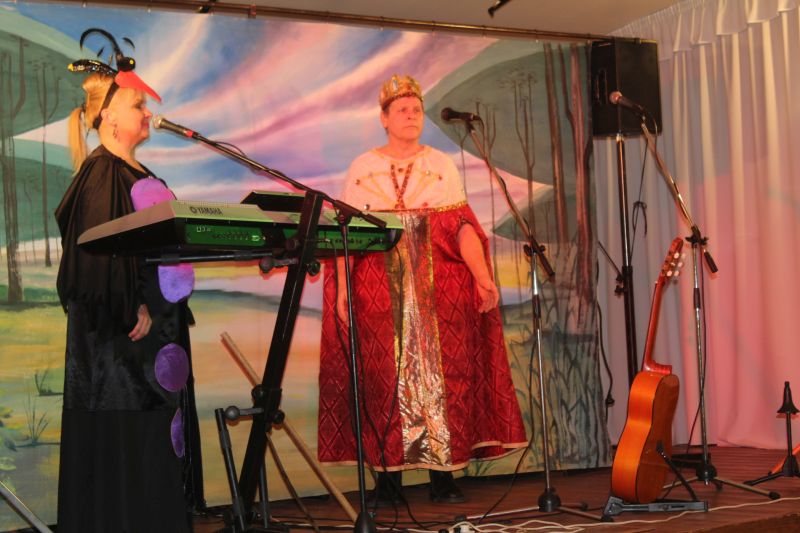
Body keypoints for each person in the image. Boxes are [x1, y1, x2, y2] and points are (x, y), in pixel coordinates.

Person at [317, 74, 527, 505]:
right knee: (383, 380)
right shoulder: (362, 168)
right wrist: (341, 290)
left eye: (416, 109)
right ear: (384, 118)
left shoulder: (441, 165)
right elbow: (345, 234)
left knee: (444, 381)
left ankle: (442, 475)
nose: (411, 116)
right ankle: (387, 480)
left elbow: (463, 227)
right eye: (402, 110)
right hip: (378, 291)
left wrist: (482, 276)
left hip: (440, 293)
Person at [55, 29, 202, 532]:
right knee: (130, 449)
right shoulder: (103, 173)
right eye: (137, 104)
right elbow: (96, 253)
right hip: (124, 356)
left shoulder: (135, 172)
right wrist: (129, 306)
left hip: (153, 348)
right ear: (109, 117)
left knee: (155, 446)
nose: (146, 112)